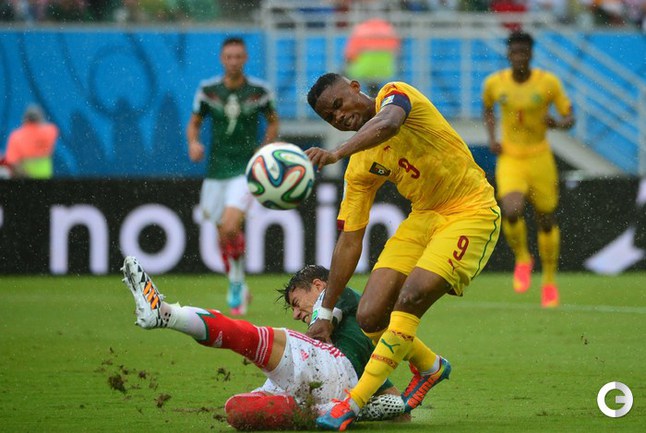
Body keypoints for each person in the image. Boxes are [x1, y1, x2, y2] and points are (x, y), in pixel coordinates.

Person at [303, 73, 501, 431]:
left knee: (411, 296)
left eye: (338, 104)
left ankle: (352, 403)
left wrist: (336, 152)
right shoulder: (359, 167)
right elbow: (349, 240)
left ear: (354, 87)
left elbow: (389, 124)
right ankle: (429, 367)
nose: (339, 117)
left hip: (470, 210)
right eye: (330, 117)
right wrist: (325, 311)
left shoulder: (395, 94)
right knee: (369, 315)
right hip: (423, 218)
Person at [121, 256, 407, 430]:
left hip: (326, 368)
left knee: (251, 338)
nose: (296, 314)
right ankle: (326, 411)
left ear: (319, 286)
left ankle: (167, 314)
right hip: (333, 389)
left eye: (297, 303)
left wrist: (306, 336)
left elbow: (321, 329)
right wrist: (386, 408)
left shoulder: (336, 292)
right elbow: (396, 404)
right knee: (237, 410)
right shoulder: (360, 336)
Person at [186, 36, 280, 316]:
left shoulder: (259, 91)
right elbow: (194, 123)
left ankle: (236, 284)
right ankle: (237, 280)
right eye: (229, 56)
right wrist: (193, 143)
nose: (234, 61)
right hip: (216, 170)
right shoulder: (208, 91)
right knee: (222, 237)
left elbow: (273, 121)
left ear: (246, 58)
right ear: (222, 59)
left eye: (238, 56)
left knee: (229, 228)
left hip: (244, 169)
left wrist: (264, 147)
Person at [482, 31, 575, 308]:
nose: (520, 57)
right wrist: (492, 138)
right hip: (511, 157)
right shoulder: (494, 83)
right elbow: (487, 109)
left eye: (524, 52)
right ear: (508, 55)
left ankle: (549, 281)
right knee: (511, 209)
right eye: (515, 52)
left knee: (545, 218)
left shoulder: (548, 83)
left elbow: (570, 116)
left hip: (540, 157)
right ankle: (523, 257)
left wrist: (558, 123)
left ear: (531, 54)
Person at [344, 18, 400, 98]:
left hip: (363, 70)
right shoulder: (389, 31)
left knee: (344, 74)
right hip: (385, 70)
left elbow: (350, 55)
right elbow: (396, 50)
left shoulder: (360, 31)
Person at [4, 104, 58, 179]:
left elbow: (12, 161)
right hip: (45, 176)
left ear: (25, 119)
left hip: (24, 178)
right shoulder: (50, 131)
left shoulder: (16, 136)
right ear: (40, 118)